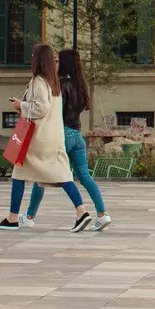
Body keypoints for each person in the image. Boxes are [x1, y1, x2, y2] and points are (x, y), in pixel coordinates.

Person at [0, 43, 90, 230]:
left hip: (38, 138)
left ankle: (12, 218)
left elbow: (41, 108)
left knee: (18, 173)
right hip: (55, 136)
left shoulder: (38, 81)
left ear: (38, 60)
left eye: (32, 56)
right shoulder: (54, 83)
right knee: (62, 175)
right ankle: (81, 212)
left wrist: (21, 105)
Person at [57, 49, 112, 231]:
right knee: (86, 177)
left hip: (63, 134)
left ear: (63, 63)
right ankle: (102, 214)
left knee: (44, 173)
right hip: (77, 134)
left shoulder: (61, 85)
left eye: (58, 60)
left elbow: (57, 113)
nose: (55, 63)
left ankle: (29, 215)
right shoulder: (81, 85)